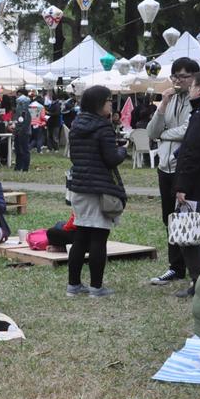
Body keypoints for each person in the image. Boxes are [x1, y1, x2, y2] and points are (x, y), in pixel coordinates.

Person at [66, 85, 127, 298]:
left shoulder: (76, 125)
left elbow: (74, 156)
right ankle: (96, 287)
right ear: (99, 103)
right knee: (99, 237)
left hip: (79, 186)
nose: (111, 104)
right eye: (109, 100)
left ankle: (73, 285)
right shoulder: (103, 127)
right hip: (100, 188)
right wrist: (123, 150)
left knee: (81, 235)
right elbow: (111, 158)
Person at [147, 57, 199, 287]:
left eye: (184, 76)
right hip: (164, 167)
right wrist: (163, 105)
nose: (178, 80)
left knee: (189, 218)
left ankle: (196, 268)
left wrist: (164, 133)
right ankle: (175, 267)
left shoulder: (198, 101)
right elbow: (151, 131)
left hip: (184, 168)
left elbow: (189, 130)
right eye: (175, 76)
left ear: (194, 78)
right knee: (169, 218)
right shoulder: (170, 98)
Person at [172, 70, 200, 300]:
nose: (189, 89)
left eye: (192, 85)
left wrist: (181, 186)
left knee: (192, 236)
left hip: (199, 186)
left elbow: (191, 154)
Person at [12, 95, 32, 172]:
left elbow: (25, 124)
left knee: (24, 150)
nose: (18, 105)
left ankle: (25, 167)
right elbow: (18, 122)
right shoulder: (19, 112)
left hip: (24, 133)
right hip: (18, 133)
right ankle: (18, 166)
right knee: (18, 150)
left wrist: (19, 131)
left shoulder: (26, 113)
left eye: (20, 104)